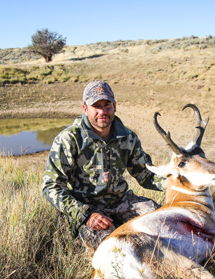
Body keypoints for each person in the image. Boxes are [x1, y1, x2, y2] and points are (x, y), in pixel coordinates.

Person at [42, 80, 164, 250]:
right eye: (96, 106)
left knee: (164, 222)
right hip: (87, 207)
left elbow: (145, 174)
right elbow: (51, 186)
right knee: (115, 248)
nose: (102, 111)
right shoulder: (69, 139)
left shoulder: (128, 137)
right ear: (85, 109)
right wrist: (85, 215)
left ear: (114, 106)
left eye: (107, 105)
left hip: (121, 200)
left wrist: (179, 184)